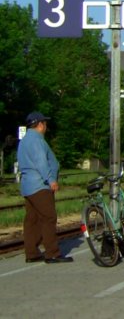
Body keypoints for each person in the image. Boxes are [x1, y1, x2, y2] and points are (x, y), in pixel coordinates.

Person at [17, 111, 73, 263]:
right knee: (49, 218)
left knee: (32, 220)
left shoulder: (24, 140)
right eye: (45, 123)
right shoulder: (36, 140)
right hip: (40, 185)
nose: (46, 126)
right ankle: (52, 253)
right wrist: (51, 180)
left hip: (28, 186)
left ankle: (32, 253)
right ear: (40, 124)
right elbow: (41, 162)